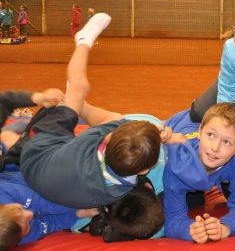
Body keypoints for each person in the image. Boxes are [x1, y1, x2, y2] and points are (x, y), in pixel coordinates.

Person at [19, 13, 166, 209]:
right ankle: (78, 105)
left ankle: (83, 41)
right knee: (106, 118)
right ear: (144, 170)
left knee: (80, 87)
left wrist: (147, 131)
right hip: (52, 185)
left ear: (107, 139)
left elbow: (116, 125)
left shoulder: (91, 141)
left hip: (35, 157)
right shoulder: (121, 190)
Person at [162, 102, 235, 243]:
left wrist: (225, 227)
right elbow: (172, 219)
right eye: (211, 135)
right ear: (200, 132)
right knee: (194, 201)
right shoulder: (177, 165)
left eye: (227, 142)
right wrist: (189, 230)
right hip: (176, 125)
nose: (215, 148)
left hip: (199, 136)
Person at [0, 171, 99, 250]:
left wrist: (89, 200)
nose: (30, 214)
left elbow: (48, 201)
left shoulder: (4, 191)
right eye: (27, 227)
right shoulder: (27, 237)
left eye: (19, 209)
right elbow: (53, 223)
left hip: (38, 181)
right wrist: (79, 214)